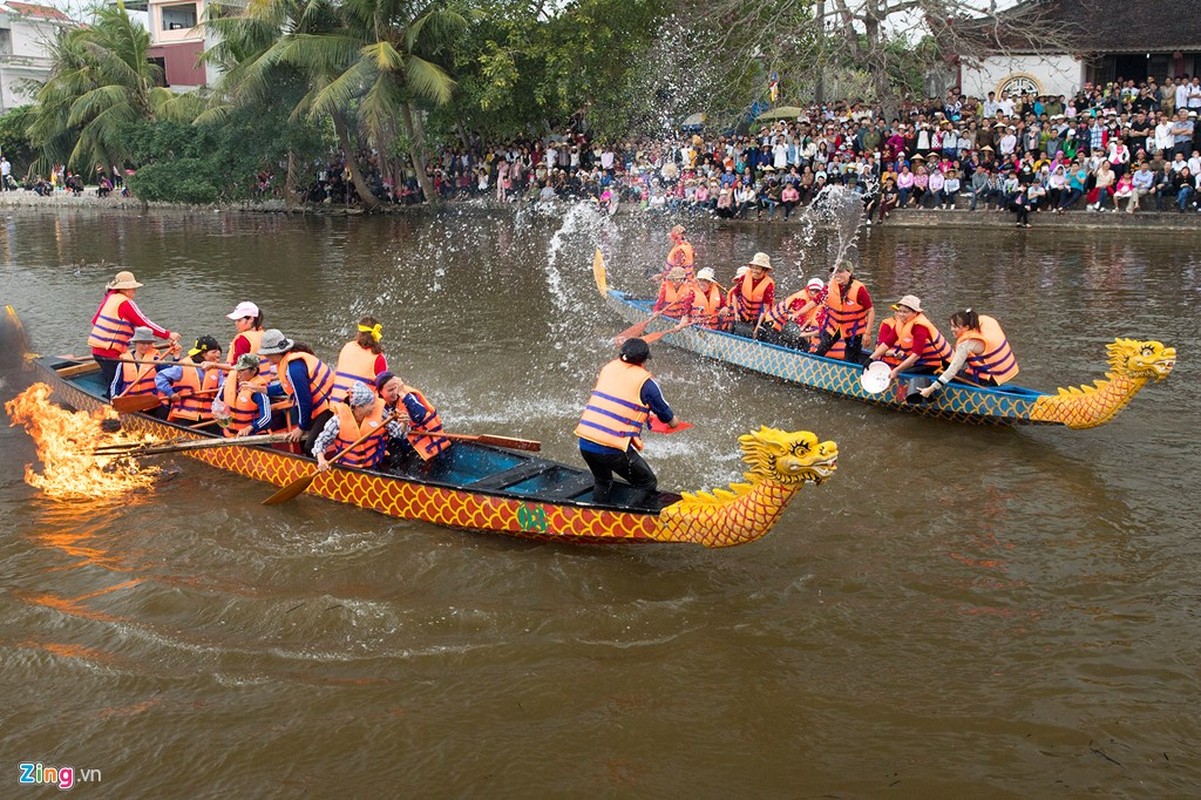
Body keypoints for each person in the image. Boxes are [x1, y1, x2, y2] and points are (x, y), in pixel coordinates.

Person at [575, 338, 677, 508]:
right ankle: (628, 515)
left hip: (585, 442)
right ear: (645, 360)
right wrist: (674, 421)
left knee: (603, 480)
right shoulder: (647, 383)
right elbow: (670, 420)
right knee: (647, 482)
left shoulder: (608, 368)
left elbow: (617, 400)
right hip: (610, 449)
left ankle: (598, 512)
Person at [87, 270, 181, 397]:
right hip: (109, 353)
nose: (134, 291)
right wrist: (168, 334)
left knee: (112, 379)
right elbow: (143, 322)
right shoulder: (125, 303)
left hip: (98, 350)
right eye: (132, 288)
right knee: (116, 384)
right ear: (124, 289)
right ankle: (111, 405)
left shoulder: (111, 298)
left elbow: (95, 321)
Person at [258, 329, 336, 455]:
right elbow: (284, 387)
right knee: (301, 440)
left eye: (266, 355)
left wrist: (301, 428)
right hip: (321, 407)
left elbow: (304, 401)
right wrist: (262, 389)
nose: (266, 358)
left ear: (274, 353)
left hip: (328, 407)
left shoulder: (294, 368)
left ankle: (325, 469)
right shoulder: (288, 360)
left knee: (310, 446)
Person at [917, 308, 1020, 398]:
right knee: (954, 371)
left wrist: (930, 389)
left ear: (966, 328)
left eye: (955, 327)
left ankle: (928, 393)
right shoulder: (980, 329)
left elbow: (952, 371)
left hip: (986, 380)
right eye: (951, 326)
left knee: (947, 375)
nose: (951, 329)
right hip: (997, 375)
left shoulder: (966, 344)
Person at [313, 381, 407, 472]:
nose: (374, 407)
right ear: (358, 407)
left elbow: (400, 434)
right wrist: (321, 460)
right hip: (346, 468)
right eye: (370, 404)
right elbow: (320, 443)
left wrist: (404, 424)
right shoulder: (337, 421)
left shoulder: (381, 414)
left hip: (374, 465)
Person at [865, 294, 952, 381]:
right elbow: (888, 343)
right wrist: (871, 358)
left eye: (905, 312)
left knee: (902, 374)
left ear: (915, 313)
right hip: (920, 362)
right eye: (900, 311)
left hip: (937, 364)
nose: (901, 314)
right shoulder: (902, 323)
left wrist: (896, 370)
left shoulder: (920, 327)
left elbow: (916, 355)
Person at [374, 371, 452, 465]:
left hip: (419, 442)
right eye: (390, 390)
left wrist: (402, 394)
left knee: (414, 468)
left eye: (396, 388)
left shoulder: (408, 396)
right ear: (380, 392)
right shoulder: (378, 405)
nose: (395, 392)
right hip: (399, 440)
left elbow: (421, 416)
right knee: (392, 459)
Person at [811, 261, 874, 363]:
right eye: (835, 272)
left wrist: (867, 333)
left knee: (852, 357)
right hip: (835, 326)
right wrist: (798, 313)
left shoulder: (859, 289)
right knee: (821, 350)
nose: (837, 275)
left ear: (849, 272)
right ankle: (813, 367)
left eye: (840, 272)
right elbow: (815, 301)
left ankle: (852, 372)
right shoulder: (831, 286)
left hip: (853, 330)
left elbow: (870, 311)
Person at [155, 335, 223, 423]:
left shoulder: (217, 368)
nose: (217, 355)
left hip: (208, 416)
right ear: (203, 354)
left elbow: (223, 386)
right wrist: (170, 393)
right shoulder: (183, 366)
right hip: (184, 415)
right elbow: (161, 377)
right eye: (213, 352)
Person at [215, 353, 274, 438]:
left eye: (242, 370)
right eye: (237, 370)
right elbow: (220, 400)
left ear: (254, 370)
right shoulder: (230, 383)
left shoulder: (258, 389)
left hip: (251, 436)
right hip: (229, 434)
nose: (238, 374)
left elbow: (266, 418)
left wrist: (250, 428)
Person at [332, 316, 388, 403]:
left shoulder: (347, 347)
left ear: (358, 333)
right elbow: (384, 389)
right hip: (359, 411)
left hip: (335, 405)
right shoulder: (378, 357)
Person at [757, 277, 825, 349]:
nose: (814, 293)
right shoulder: (801, 299)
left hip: (786, 326)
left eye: (817, 291)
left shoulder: (819, 303)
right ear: (807, 289)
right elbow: (796, 321)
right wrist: (803, 334)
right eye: (812, 290)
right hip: (773, 325)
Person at [110, 326, 172, 401]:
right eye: (142, 343)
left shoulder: (156, 360)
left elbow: (172, 375)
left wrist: (176, 357)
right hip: (129, 403)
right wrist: (114, 396)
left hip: (151, 402)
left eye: (149, 343)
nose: (146, 346)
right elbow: (116, 383)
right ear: (135, 343)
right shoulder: (124, 362)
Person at [727, 252, 775, 336]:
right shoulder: (744, 277)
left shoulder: (769, 284)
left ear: (764, 270)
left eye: (758, 269)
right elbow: (735, 295)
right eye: (753, 268)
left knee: (759, 334)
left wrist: (757, 327)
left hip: (758, 317)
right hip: (742, 313)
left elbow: (765, 307)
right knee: (735, 331)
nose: (754, 271)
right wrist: (736, 313)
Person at [225, 301, 272, 376]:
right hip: (263, 382)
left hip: (245, 385)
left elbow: (237, 367)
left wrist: (214, 365)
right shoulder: (263, 335)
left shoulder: (243, 339)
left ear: (251, 319)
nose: (236, 323)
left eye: (239, 320)